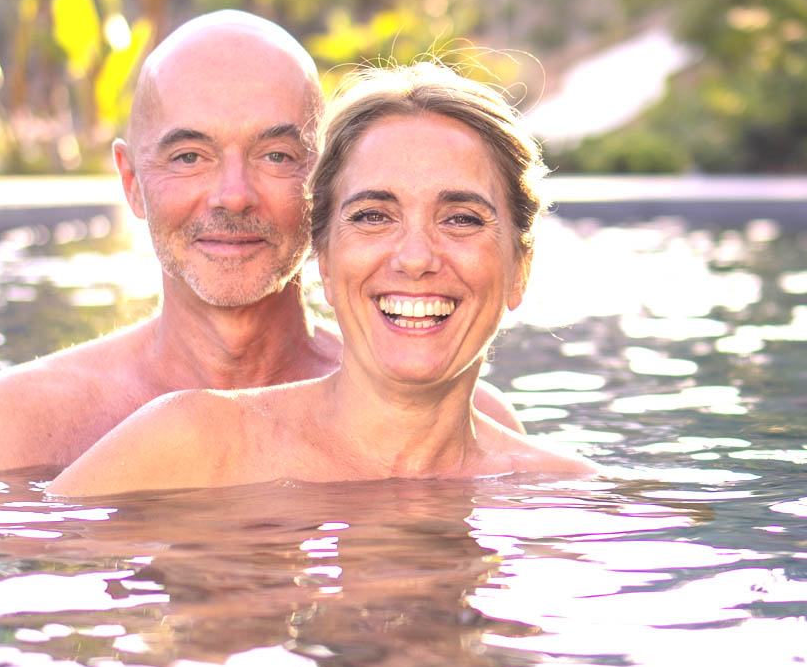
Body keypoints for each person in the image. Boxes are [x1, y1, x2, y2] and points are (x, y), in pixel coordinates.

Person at [0, 14, 526, 474]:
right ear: (132, 182)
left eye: (275, 156)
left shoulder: (463, 424)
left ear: (325, 183)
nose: (234, 195)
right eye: (189, 157)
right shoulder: (13, 427)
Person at [49, 62, 596, 497]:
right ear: (326, 263)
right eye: (373, 216)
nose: (414, 257)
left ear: (520, 269)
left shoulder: (557, 496)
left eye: (461, 219)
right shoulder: (188, 444)